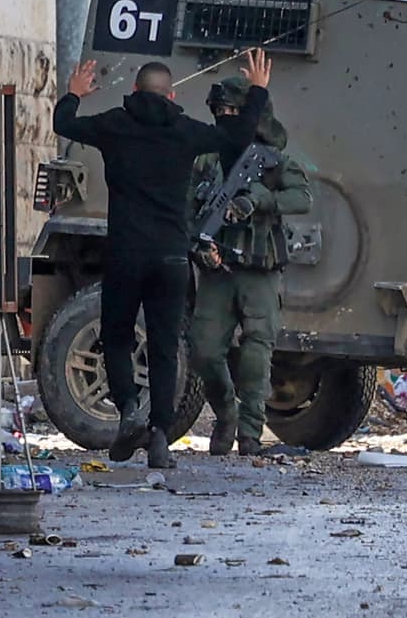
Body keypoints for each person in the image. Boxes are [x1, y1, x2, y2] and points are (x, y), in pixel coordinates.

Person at [53, 52, 271, 468]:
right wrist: (257, 90)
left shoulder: (114, 125)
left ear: (135, 90)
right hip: (171, 256)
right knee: (165, 345)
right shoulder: (184, 130)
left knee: (116, 335)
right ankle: (158, 437)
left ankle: (128, 407)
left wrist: (74, 94)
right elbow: (237, 138)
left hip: (124, 253)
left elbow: (64, 124)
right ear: (171, 93)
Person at [187, 76, 311, 456]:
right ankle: (226, 414)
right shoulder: (208, 160)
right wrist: (199, 247)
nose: (226, 118)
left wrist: (257, 199)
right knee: (204, 352)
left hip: (259, 268)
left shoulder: (272, 160)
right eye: (220, 112)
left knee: (257, 352)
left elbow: (302, 197)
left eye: (233, 112)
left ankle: (250, 434)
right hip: (217, 272)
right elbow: (188, 210)